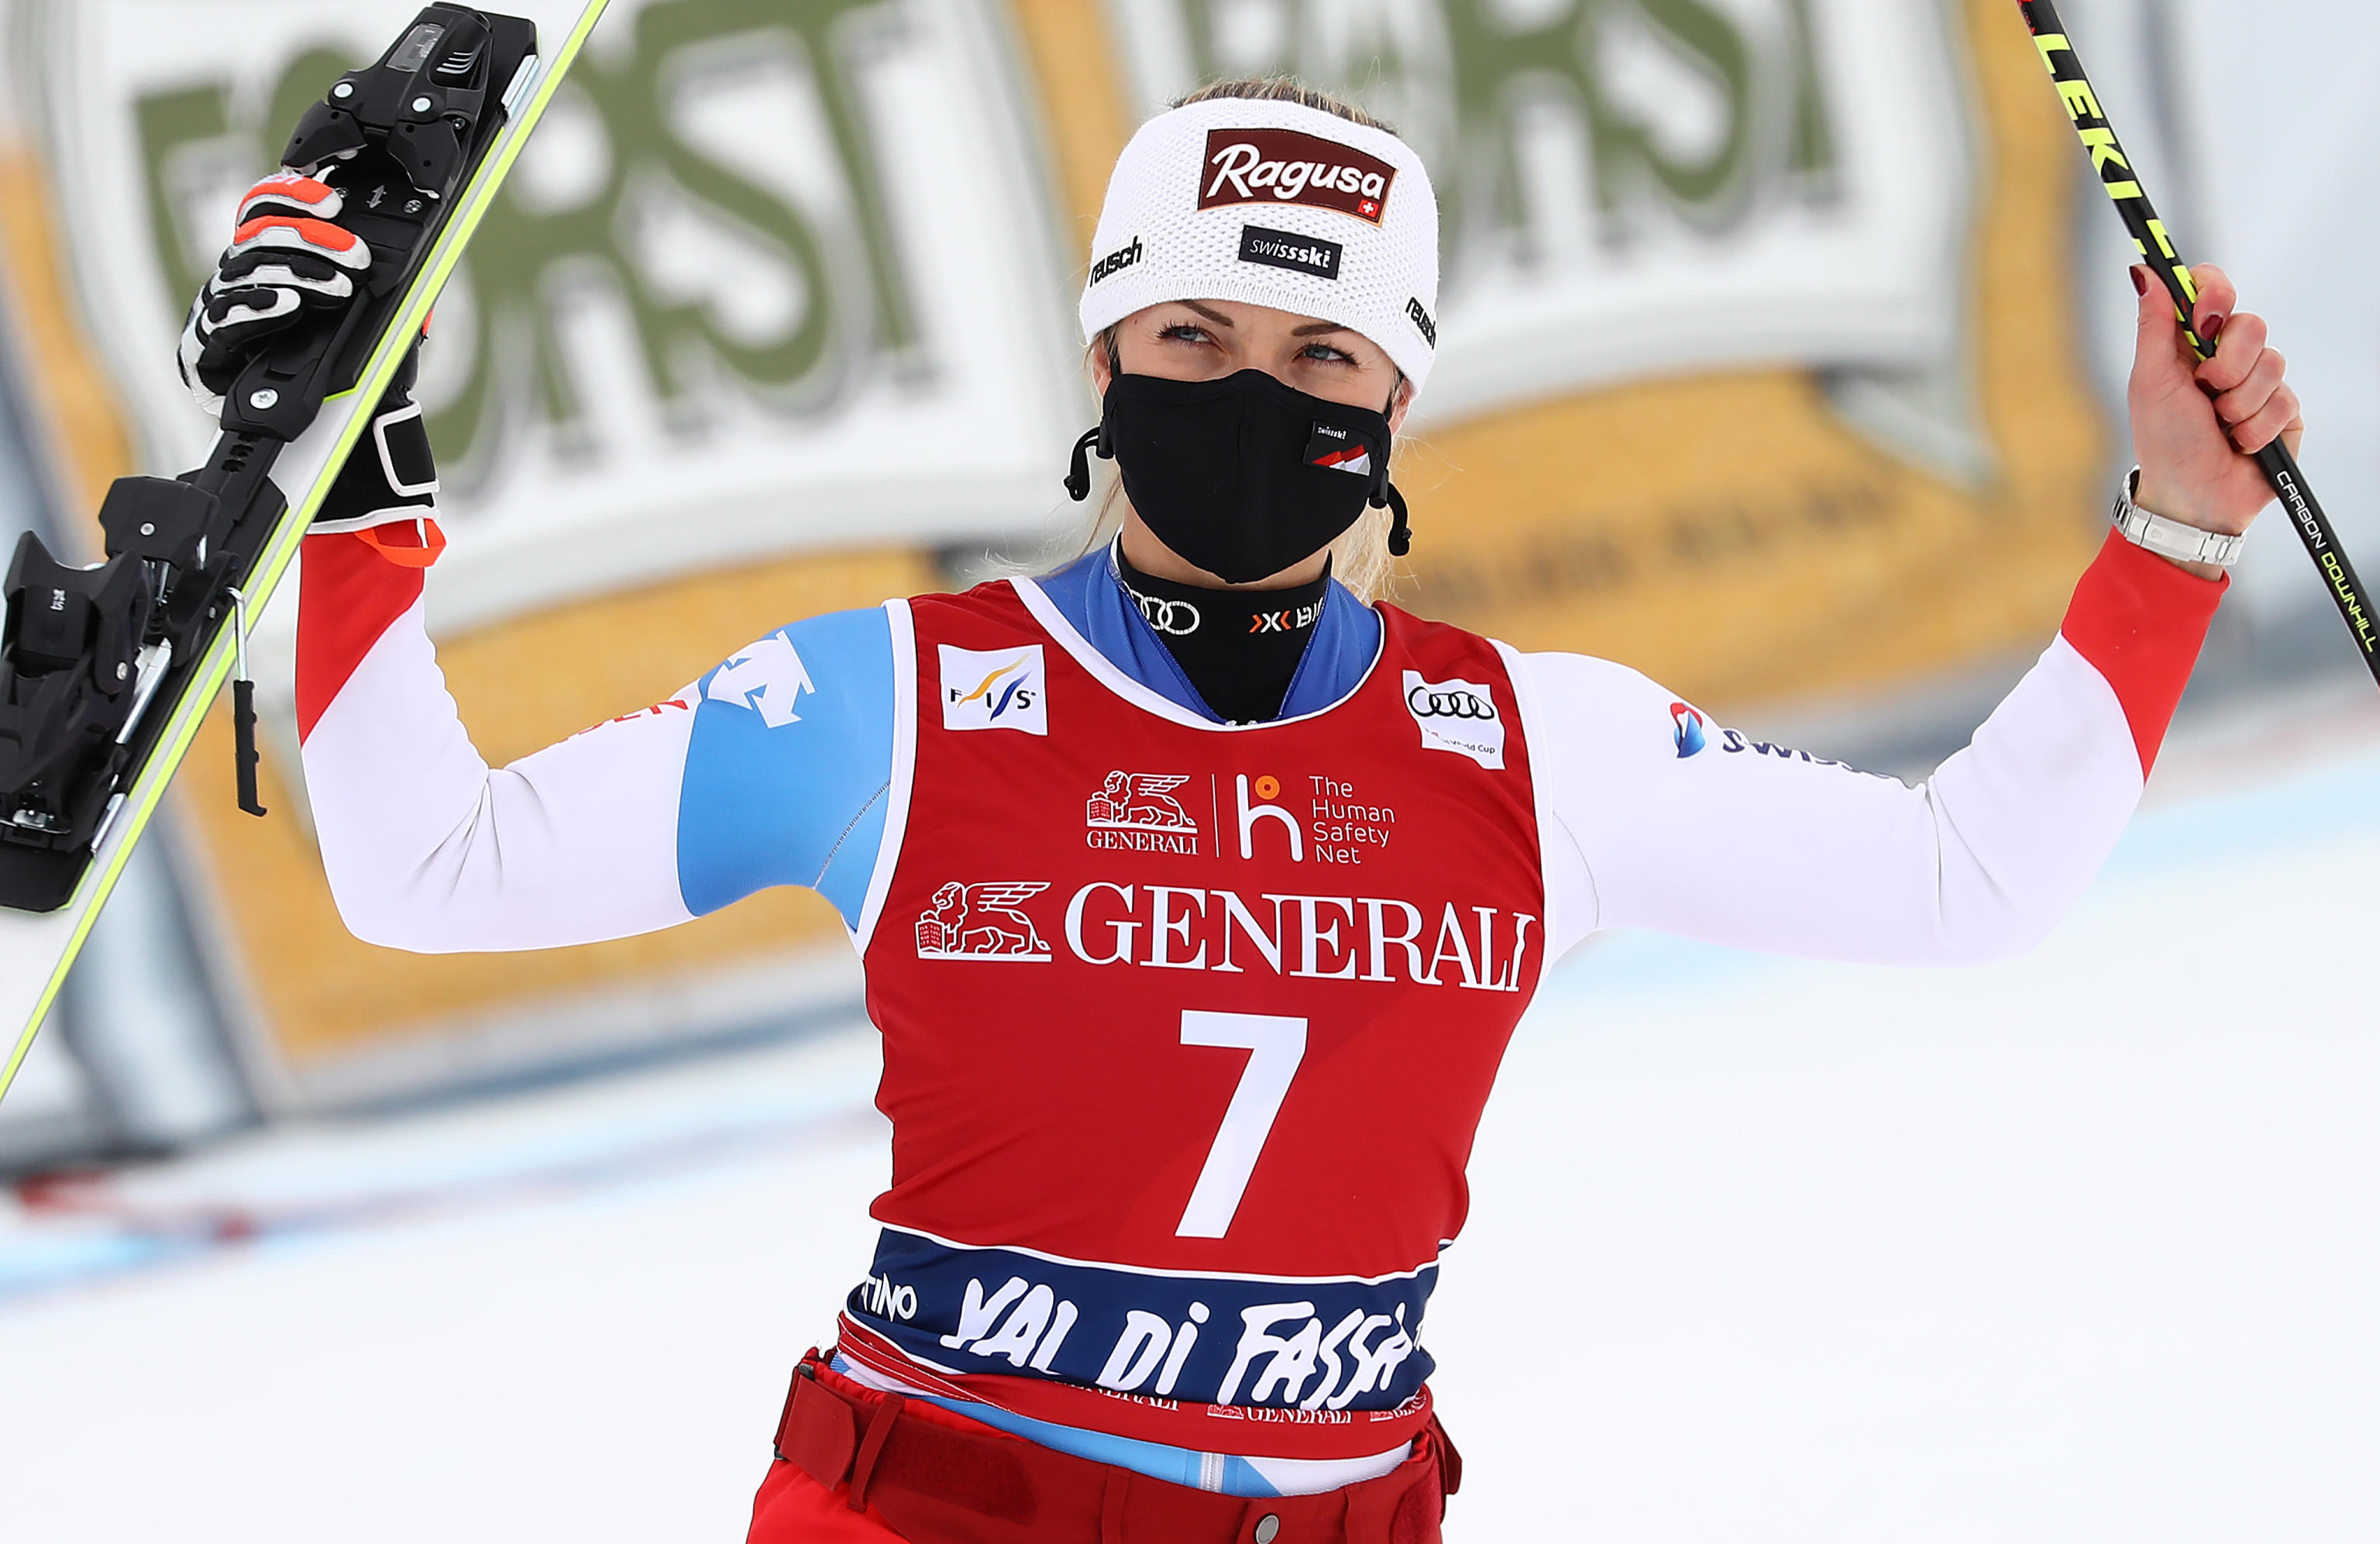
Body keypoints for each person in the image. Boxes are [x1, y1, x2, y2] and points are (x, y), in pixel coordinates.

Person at [179, 77, 2299, 1542]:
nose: (1253, 391)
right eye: (1190, 333)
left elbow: (1966, 880)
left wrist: (2178, 532)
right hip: (938, 1508)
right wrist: (352, 496)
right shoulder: (889, 703)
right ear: (1102, 361)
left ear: (1398, 403)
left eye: (1321, 354)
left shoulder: (1527, 744)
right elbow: (430, 869)